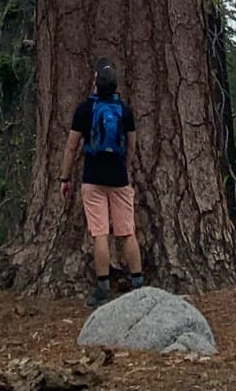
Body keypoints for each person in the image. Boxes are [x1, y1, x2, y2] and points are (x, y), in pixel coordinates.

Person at [60, 57, 142, 306]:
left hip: (92, 178)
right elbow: (132, 146)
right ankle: (138, 284)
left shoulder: (84, 109)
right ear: (116, 85)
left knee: (100, 234)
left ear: (95, 81)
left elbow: (71, 147)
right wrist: (126, 169)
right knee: (127, 232)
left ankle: (103, 289)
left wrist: (64, 177)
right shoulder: (125, 110)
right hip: (119, 179)